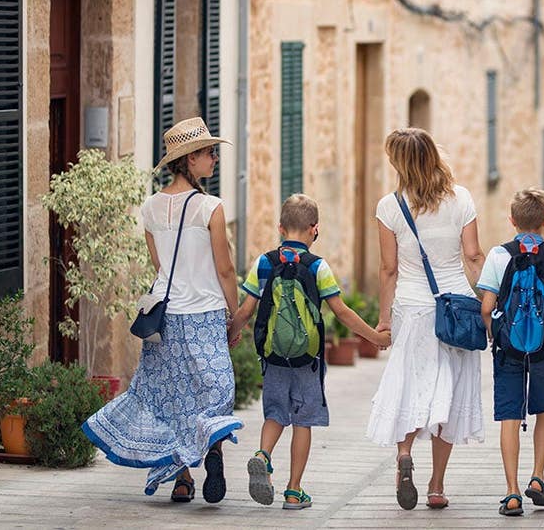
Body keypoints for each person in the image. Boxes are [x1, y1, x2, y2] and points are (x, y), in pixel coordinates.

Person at [83, 117, 242, 504]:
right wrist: (235, 317)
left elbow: (159, 266)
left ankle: (183, 479)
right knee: (217, 390)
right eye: (209, 153)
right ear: (189, 160)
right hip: (204, 315)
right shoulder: (211, 208)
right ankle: (213, 451)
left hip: (165, 319)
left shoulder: (151, 208)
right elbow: (225, 269)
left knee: (172, 400)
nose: (214, 159)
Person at [229, 193, 391, 509]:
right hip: (308, 359)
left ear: (280, 227)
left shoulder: (264, 262)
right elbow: (341, 311)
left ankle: (263, 455)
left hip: (273, 355)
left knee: (275, 413)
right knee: (303, 421)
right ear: (314, 230)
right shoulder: (318, 267)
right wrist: (374, 336)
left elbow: (246, 309)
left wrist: (230, 334)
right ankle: (294, 490)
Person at [366, 128, 486, 510]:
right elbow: (473, 256)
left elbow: (388, 269)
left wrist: (384, 320)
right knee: (447, 397)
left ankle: (404, 455)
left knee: (411, 387)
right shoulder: (461, 198)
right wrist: (487, 301)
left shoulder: (390, 206)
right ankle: (436, 486)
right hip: (456, 309)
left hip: (412, 309)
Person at [478, 188, 544, 517]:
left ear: (511, 220)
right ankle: (538, 477)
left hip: (508, 350)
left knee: (510, 417)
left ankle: (511, 492)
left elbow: (487, 306)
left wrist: (497, 338)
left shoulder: (498, 255)